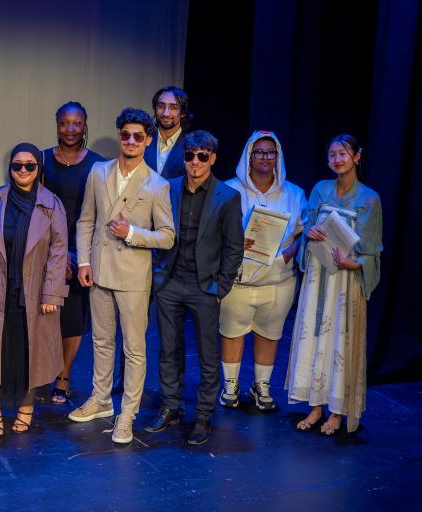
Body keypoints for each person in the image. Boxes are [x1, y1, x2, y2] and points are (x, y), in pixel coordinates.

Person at [69, 107, 175, 444]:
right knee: (100, 341)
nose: (131, 141)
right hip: (99, 270)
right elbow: (86, 220)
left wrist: (132, 233)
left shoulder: (157, 185)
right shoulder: (99, 172)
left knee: (134, 349)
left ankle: (126, 414)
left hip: (132, 276)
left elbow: (168, 236)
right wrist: (84, 263)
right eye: (126, 135)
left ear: (147, 140)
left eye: (138, 136)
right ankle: (100, 400)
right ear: (119, 136)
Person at [145, 130, 243, 446]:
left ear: (212, 158)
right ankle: (171, 407)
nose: (195, 162)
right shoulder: (168, 188)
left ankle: (202, 416)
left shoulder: (227, 196)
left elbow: (233, 247)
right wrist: (159, 276)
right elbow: (156, 231)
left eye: (202, 156)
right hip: (171, 282)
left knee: (207, 355)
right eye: (190, 155)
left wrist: (220, 287)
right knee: (169, 350)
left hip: (205, 286)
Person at [286, 134, 382, 435]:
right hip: (318, 276)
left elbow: (371, 252)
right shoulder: (320, 189)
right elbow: (307, 229)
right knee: (313, 339)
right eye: (332, 154)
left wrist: (352, 264)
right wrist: (310, 233)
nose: (337, 159)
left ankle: (337, 411)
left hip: (345, 280)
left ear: (356, 157)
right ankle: (315, 406)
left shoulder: (368, 198)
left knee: (340, 340)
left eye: (343, 153)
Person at [0, 143, 68, 436]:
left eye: (30, 165)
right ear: (10, 168)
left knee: (32, 353)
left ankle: (26, 408)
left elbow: (58, 251)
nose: (23, 171)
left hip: (36, 293)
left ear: (39, 168)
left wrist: (52, 294)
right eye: (17, 165)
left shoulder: (53, 204)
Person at [219, 131, 307, 411]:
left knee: (269, 333)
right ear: (248, 156)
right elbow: (214, 233)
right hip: (238, 280)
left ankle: (262, 385)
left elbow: (303, 234)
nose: (265, 158)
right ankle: (230, 385)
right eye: (259, 152)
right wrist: (234, 241)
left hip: (278, 281)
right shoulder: (229, 189)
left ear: (277, 157)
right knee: (232, 332)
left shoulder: (294, 194)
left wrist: (286, 256)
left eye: (271, 152)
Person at [41, 101, 105, 404]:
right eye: (64, 123)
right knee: (43, 315)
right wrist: (57, 253)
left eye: (76, 123)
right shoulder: (39, 160)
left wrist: (78, 256)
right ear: (56, 124)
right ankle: (40, 371)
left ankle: (63, 376)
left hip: (83, 251)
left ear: (85, 125)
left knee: (73, 318)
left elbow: (99, 215)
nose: (70, 129)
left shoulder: (99, 165)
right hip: (45, 248)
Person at [144, 86, 191, 179]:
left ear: (183, 113)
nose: (165, 113)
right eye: (161, 106)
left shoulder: (191, 145)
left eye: (173, 108)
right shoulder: (143, 140)